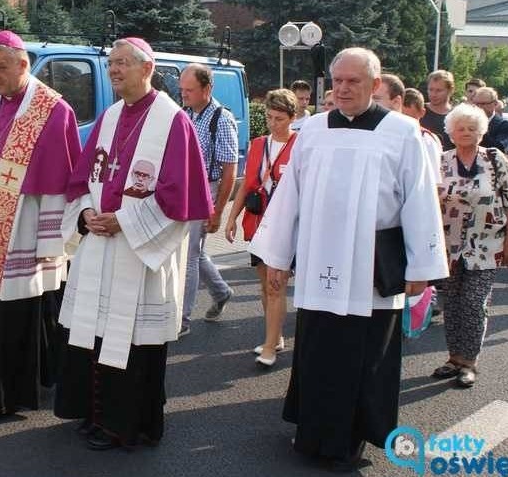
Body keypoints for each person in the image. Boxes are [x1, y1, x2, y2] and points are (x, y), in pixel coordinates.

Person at [249, 48, 448, 471]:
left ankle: (351, 438)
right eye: (337, 80)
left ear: (375, 86)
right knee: (319, 349)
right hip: (321, 257)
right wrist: (277, 257)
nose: (342, 88)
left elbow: (419, 200)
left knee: (364, 355)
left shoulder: (402, 132)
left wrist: (420, 268)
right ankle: (313, 432)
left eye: (353, 81)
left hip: (372, 265)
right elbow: (290, 197)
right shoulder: (314, 130)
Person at [54, 37, 212, 450]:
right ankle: (95, 413)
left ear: (147, 68)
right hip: (101, 244)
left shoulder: (173, 121)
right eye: (110, 65)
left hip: (138, 251)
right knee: (95, 330)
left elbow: (179, 196)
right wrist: (87, 212)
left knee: (132, 339)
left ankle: (127, 424)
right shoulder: (108, 118)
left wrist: (124, 221)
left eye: (122, 63)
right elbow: (82, 176)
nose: (114, 71)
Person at [0, 30, 82, 421]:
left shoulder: (54, 110)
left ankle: (6, 395)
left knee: (14, 311)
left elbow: (60, 182)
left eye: (1, 68)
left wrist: (50, 241)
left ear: (23, 64)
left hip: (23, 223)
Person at [436, 104, 508, 388]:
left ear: (481, 131)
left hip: (487, 244)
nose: (466, 133)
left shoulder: (494, 159)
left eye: (472, 128)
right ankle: (453, 358)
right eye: (460, 128)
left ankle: (469, 362)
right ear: (451, 132)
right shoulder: (442, 161)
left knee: (474, 303)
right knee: (452, 304)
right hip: (450, 247)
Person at [224, 88, 298, 367]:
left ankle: (270, 346)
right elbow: (246, 185)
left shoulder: (300, 145)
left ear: (292, 117)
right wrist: (232, 218)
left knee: (275, 285)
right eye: (269, 117)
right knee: (265, 286)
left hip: (284, 227)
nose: (272, 123)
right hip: (257, 224)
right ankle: (275, 335)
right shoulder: (258, 144)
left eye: (279, 118)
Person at [178, 63, 237, 337]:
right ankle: (221, 292)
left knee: (189, 256)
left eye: (189, 90)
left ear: (207, 88)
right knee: (196, 251)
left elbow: (229, 169)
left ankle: (182, 319)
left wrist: (218, 211)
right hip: (185, 190)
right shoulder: (186, 114)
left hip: (207, 190)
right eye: (181, 90)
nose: (184, 95)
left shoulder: (221, 119)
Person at [379, 75, 443, 185]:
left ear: (421, 113)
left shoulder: (426, 140)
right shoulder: (379, 134)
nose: (407, 123)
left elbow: (432, 183)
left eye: (410, 118)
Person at [471, 86, 508, 154]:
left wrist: (480, 126)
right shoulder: (466, 122)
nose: (479, 107)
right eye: (476, 104)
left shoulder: (506, 125)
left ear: (495, 104)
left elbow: (498, 147)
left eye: (483, 104)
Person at [422, 70, 455, 149]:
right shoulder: (418, 110)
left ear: (450, 90)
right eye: (431, 89)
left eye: (439, 90)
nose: (433, 94)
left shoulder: (457, 115)